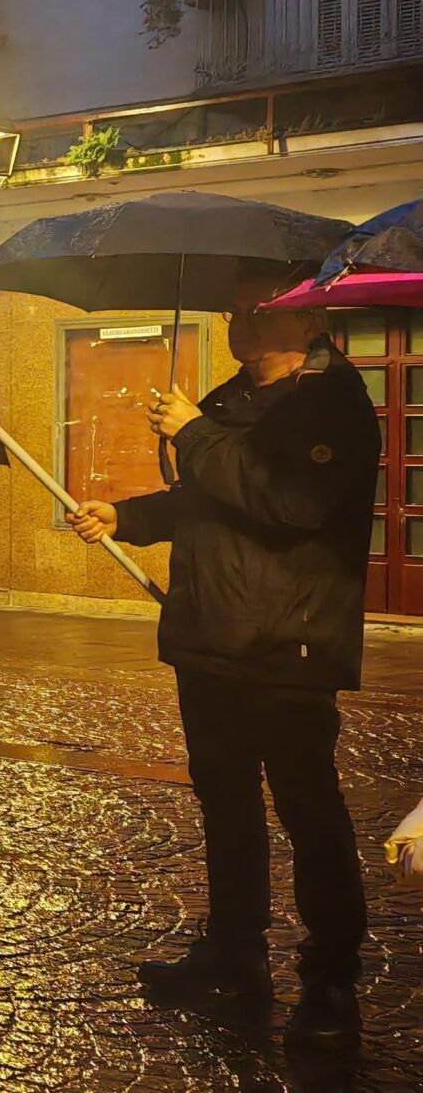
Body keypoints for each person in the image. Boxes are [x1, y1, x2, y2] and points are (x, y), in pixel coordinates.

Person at [70, 283, 378, 1044]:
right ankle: (235, 953)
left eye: (258, 309)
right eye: (236, 310)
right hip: (211, 637)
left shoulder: (331, 402)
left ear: (310, 319)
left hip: (287, 642)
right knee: (227, 806)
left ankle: (332, 976)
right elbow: (204, 499)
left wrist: (193, 434)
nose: (238, 322)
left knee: (309, 809)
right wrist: (131, 516)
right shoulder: (227, 400)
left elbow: (289, 504)